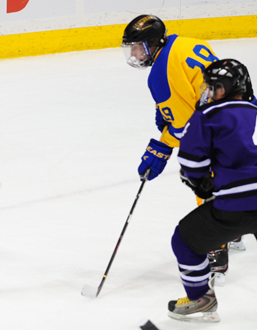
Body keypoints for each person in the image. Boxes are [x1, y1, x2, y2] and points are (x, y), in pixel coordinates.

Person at [121, 14, 255, 276]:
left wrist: (161, 147)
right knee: (237, 168)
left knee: (204, 178)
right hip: (242, 108)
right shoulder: (184, 42)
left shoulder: (159, 75)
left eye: (138, 48)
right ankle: (237, 230)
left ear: (151, 44)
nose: (135, 56)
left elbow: (186, 130)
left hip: (217, 120)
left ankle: (216, 246)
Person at [168, 58, 257, 322]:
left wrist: (200, 182)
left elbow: (191, 162)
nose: (208, 92)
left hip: (234, 206)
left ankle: (200, 298)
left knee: (184, 242)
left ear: (229, 88)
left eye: (214, 87)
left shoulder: (208, 116)